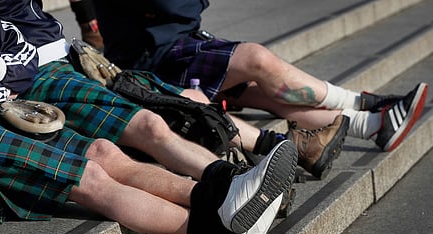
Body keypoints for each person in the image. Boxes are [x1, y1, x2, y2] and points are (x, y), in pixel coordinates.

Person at [0, 0, 298, 234]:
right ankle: (222, 227)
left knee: (106, 151)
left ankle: (225, 192)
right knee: (90, 177)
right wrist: (0, 88)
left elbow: (18, 50)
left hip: (5, 94)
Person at [0, 0, 347, 180]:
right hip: (139, 54)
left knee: (206, 94)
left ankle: (296, 144)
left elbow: (188, 9)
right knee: (176, 106)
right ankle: (247, 175)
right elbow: (174, 7)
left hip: (70, 57)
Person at [93, 0, 428, 154]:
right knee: (257, 59)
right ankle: (362, 102)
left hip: (178, 47)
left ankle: (371, 125)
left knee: (267, 91)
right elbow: (175, 7)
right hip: (151, 62)